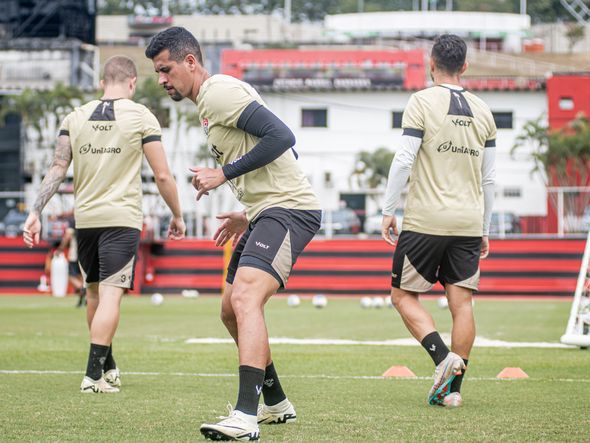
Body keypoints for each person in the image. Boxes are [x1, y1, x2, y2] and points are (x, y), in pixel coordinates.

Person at [145, 27, 321, 441]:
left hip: (290, 210)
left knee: (245, 297)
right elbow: (281, 154)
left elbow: (283, 137)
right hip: (266, 211)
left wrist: (223, 173)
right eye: (157, 73)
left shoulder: (219, 91)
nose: (162, 79)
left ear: (191, 62)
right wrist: (249, 212)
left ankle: (245, 417)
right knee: (229, 310)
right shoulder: (208, 105)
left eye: (166, 69)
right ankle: (275, 402)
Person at [23, 55, 186, 394]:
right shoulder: (142, 116)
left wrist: (35, 211)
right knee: (111, 295)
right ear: (132, 83)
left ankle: (107, 365)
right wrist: (177, 214)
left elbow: (56, 168)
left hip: (85, 221)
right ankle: (92, 376)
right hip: (121, 220)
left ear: (102, 83)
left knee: (94, 293)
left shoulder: (75, 117)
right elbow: (162, 174)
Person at [380, 34, 496, 408]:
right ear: (465, 67)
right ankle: (453, 391)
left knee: (402, 296)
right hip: (468, 222)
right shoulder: (484, 110)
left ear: (431, 64)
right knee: (462, 305)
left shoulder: (421, 101)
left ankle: (441, 358)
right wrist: (485, 228)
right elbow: (490, 178)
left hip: (425, 220)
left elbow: (403, 160)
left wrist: (388, 209)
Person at [58, 218, 86, 307]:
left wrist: (60, 249)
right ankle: (83, 299)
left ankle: (82, 289)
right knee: (83, 278)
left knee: (71, 276)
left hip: (75, 254)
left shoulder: (74, 220)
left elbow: (68, 236)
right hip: (87, 254)